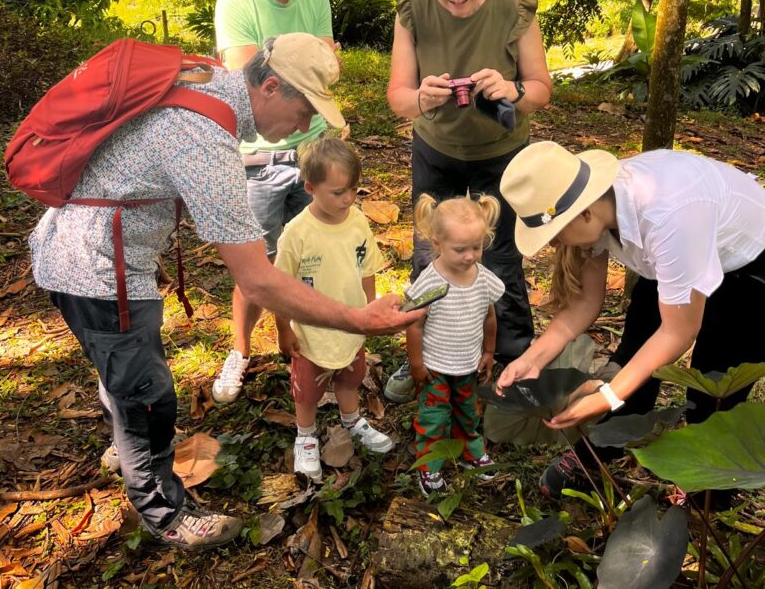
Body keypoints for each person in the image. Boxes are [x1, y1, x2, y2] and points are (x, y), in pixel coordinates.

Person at [28, 33, 422, 552]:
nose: (306, 127)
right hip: (96, 269)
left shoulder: (209, 77)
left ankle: (128, 447)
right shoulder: (205, 139)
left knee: (123, 371)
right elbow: (257, 279)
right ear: (272, 85)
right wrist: (360, 320)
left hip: (86, 248)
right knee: (146, 394)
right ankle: (163, 511)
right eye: (304, 111)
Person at [498, 140, 765, 500]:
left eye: (555, 233)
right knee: (633, 353)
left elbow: (678, 331)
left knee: (711, 387)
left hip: (750, 267)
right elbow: (585, 303)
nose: (554, 244)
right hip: (677, 253)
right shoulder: (598, 205)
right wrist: (532, 358)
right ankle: (600, 452)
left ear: (584, 214)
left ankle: (708, 499)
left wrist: (607, 396)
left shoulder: (668, 215)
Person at [384, 0, 552, 403]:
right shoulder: (414, 9)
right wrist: (423, 98)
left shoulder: (513, 6)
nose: (457, 1)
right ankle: (426, 357)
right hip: (436, 153)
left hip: (502, 157)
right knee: (431, 254)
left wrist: (512, 89)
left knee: (500, 256)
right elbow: (397, 95)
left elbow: (541, 90)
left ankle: (513, 363)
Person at [212, 0, 337, 405]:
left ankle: (311, 353)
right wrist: (304, 56)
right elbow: (250, 79)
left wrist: (290, 55)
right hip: (258, 157)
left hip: (315, 145)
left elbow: (326, 71)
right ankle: (240, 351)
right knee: (255, 265)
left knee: (314, 257)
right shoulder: (234, 4)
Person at [274, 138, 394, 481]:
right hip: (311, 332)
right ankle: (306, 435)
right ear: (310, 188)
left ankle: (351, 418)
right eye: (338, 192)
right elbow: (279, 287)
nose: (348, 199)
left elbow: (367, 267)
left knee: (350, 377)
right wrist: (284, 328)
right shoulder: (296, 233)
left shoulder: (357, 220)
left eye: (353, 190)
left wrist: (368, 312)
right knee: (308, 389)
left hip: (352, 325)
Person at [406, 193, 505, 495]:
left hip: (467, 364)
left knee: (468, 411)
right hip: (435, 366)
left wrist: (489, 351)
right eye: (460, 249)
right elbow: (414, 323)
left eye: (476, 247)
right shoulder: (430, 282)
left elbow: (489, 316)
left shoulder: (484, 279)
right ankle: (429, 465)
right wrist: (416, 363)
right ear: (436, 244)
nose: (470, 256)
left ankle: (471, 452)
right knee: (434, 416)